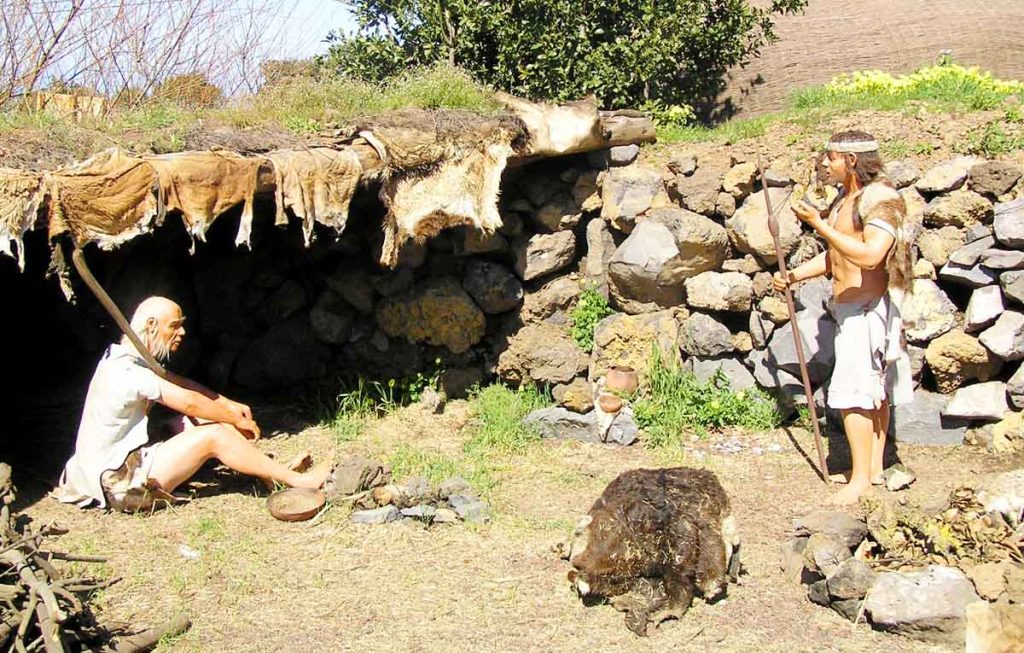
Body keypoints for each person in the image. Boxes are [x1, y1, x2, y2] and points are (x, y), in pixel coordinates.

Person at [56, 296, 330, 512]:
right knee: (213, 435)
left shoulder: (129, 359)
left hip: (116, 468)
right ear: (151, 326)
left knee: (197, 422)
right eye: (174, 325)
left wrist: (226, 405)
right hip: (119, 484)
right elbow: (187, 401)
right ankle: (297, 481)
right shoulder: (127, 372)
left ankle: (269, 475)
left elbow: (178, 382)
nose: (182, 332)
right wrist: (233, 419)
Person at [773, 130, 914, 506]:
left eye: (832, 158)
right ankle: (874, 469)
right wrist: (795, 275)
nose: (825, 164)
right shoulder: (846, 199)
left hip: (869, 311)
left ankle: (861, 480)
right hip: (850, 310)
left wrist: (819, 224)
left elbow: (870, 255)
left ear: (851, 161)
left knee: (855, 396)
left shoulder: (881, 198)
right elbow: (838, 257)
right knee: (871, 394)